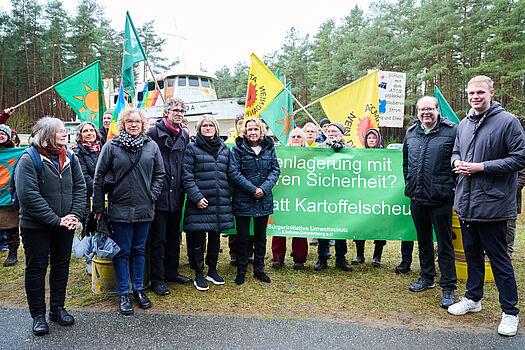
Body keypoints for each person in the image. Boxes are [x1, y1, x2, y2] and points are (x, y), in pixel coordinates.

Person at [448, 76, 525, 337]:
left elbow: (518, 158)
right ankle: (473, 298)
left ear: (491, 92)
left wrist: (480, 168)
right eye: (471, 92)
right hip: (466, 203)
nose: (475, 96)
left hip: (492, 204)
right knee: (471, 255)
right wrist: (456, 163)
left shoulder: (508, 122)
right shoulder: (463, 123)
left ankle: (510, 312)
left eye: (480, 92)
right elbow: (456, 151)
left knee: (499, 259)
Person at [15, 117, 86, 335]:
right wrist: (57, 220)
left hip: (65, 224)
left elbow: (80, 187)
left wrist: (75, 214)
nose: (65, 134)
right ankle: (38, 315)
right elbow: (28, 196)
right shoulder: (29, 159)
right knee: (36, 269)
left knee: (61, 266)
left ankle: (57, 309)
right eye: (60, 131)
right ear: (47, 134)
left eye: (65, 131)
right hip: (35, 227)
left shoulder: (70, 156)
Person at [93, 108, 165, 315]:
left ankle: (138, 289)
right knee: (122, 251)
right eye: (130, 122)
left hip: (144, 206)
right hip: (120, 206)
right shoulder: (112, 146)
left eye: (137, 122)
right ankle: (123, 293)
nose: (134, 125)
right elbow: (99, 177)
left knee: (139, 250)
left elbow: (160, 173)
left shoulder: (151, 146)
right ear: (123, 123)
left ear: (143, 125)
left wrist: (152, 194)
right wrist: (98, 206)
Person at [403, 96, 458, 309]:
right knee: (423, 240)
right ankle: (427, 277)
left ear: (437, 110)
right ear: (417, 112)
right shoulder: (411, 133)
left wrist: (450, 188)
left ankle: (448, 286)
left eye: (430, 109)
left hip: (441, 198)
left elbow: (457, 161)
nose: (426, 113)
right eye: (422, 110)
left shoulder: (452, 131)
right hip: (418, 198)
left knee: (444, 243)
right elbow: (406, 163)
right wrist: (410, 182)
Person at [182, 115, 234, 291]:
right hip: (200, 202)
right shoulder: (192, 148)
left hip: (219, 202)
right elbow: (187, 176)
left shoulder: (225, 148)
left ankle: (212, 270)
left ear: (216, 128)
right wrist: (196, 197)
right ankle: (199, 273)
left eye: (211, 125)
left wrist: (228, 193)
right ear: (199, 128)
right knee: (198, 239)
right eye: (204, 125)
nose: (208, 128)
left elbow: (230, 174)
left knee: (215, 238)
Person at [146, 98, 192, 296]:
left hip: (177, 195)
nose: (180, 114)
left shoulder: (184, 134)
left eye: (182, 111)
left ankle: (171, 272)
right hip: (159, 194)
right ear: (166, 112)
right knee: (158, 239)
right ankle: (157, 279)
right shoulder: (153, 133)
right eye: (176, 110)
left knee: (174, 237)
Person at [229, 117, 280, 285]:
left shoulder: (268, 148)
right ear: (245, 131)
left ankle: (259, 269)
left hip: (263, 199)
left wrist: (263, 189)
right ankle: (241, 270)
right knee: (242, 237)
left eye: (255, 129)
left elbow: (275, 170)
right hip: (243, 198)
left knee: (260, 237)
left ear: (261, 131)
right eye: (249, 129)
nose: (252, 132)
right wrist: (252, 189)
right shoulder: (238, 149)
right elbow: (234, 173)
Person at [314, 122, 352, 272]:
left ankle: (341, 258)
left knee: (341, 227)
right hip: (324, 194)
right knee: (324, 226)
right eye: (329, 131)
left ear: (341, 133)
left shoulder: (349, 148)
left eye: (334, 131)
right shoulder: (320, 148)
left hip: (341, 194)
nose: (331, 133)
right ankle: (322, 257)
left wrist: (341, 152)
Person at [270, 128, 308, 270]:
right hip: (283, 196)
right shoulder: (281, 154)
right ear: (289, 140)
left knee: (299, 228)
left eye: (299, 136)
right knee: (279, 227)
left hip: (302, 196)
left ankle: (299, 258)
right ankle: (277, 258)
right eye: (293, 136)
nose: (296, 138)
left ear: (303, 141)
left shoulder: (311, 155)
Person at [352, 128, 387, 267]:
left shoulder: (385, 155)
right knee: (361, 225)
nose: (371, 140)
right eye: (369, 138)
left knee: (380, 227)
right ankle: (360, 255)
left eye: (374, 138)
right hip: (363, 197)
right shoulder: (360, 155)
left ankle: (377, 257)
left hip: (380, 197)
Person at [73, 122, 102, 239]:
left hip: (101, 195)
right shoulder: (77, 152)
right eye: (85, 131)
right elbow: (84, 177)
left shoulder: (102, 149)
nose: (89, 133)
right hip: (86, 197)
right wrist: (100, 188)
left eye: (92, 130)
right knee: (89, 226)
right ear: (80, 135)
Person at [0, 125, 19, 267]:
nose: (0, 136)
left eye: (2, 133)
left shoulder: (16, 153)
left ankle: (13, 253)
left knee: (12, 227)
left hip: (8, 197)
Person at [506, 167, 525, 259]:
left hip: (512, 198)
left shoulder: (517, 156)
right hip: (494, 197)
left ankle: (508, 251)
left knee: (510, 225)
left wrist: (512, 189)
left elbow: (522, 176)